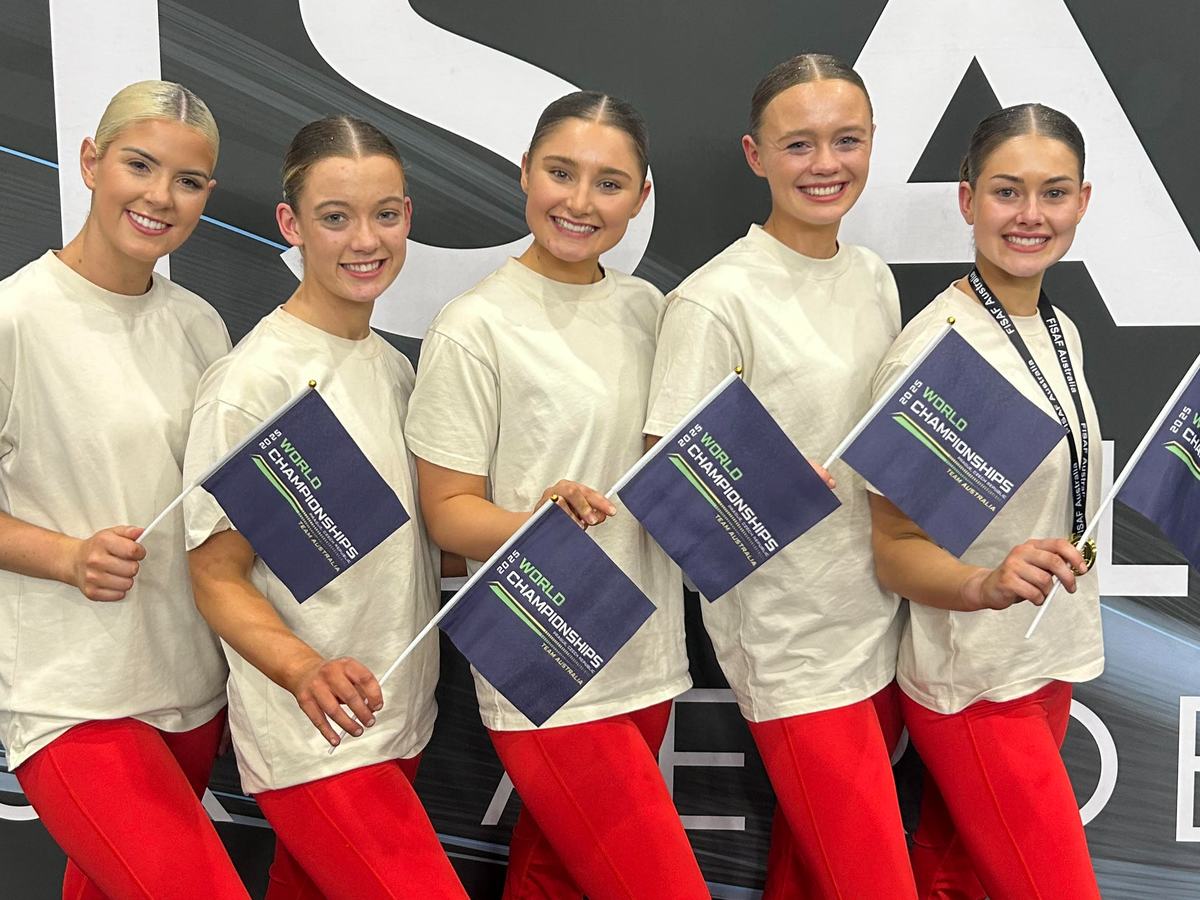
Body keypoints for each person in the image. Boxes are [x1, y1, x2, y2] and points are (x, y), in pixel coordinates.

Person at [404, 91, 708, 900]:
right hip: (542, 644)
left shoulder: (648, 309)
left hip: (644, 647)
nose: (580, 201)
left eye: (609, 183)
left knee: (552, 879)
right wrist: (531, 524)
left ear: (641, 198)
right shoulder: (473, 326)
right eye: (561, 173)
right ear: (525, 174)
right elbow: (447, 511)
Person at [644, 54, 918, 899]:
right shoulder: (714, 300)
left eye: (847, 140)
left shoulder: (872, 276)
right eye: (799, 144)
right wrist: (764, 484)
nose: (825, 164)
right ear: (755, 155)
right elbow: (669, 488)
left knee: (810, 876)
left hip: (878, 621)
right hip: (790, 644)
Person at [184, 116, 468, 900]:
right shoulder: (253, 384)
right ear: (292, 224)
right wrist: (304, 669)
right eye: (335, 217)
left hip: (397, 716)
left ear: (407, 217)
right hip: (316, 737)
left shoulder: (395, 369)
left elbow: (416, 546)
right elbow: (215, 575)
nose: (365, 240)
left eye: (385, 214)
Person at [0, 80, 249, 899]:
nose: (160, 196)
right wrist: (67, 556)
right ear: (90, 162)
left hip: (188, 689)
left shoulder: (199, 324)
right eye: (139, 165)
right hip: (75, 698)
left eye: (187, 180)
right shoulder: (16, 318)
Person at [868, 103, 1102, 900]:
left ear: (1082, 202)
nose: (1031, 215)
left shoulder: (1060, 330)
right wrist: (983, 583)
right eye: (1008, 191)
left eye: (1054, 192)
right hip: (976, 684)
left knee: (953, 883)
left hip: (1045, 662)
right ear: (968, 201)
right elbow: (895, 549)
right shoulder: (938, 349)